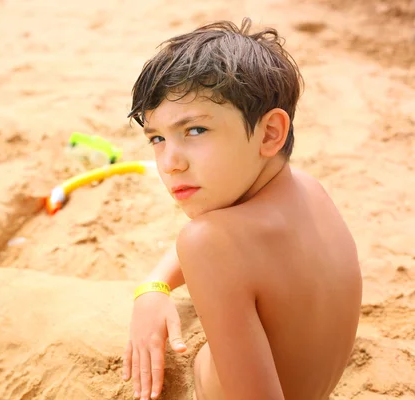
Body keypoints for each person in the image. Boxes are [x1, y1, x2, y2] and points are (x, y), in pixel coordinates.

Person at [121, 18, 362, 400]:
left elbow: (212, 244)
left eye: (195, 131)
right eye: (156, 138)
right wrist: (154, 284)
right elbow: (227, 246)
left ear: (269, 133)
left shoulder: (210, 242)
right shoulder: (309, 190)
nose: (170, 163)